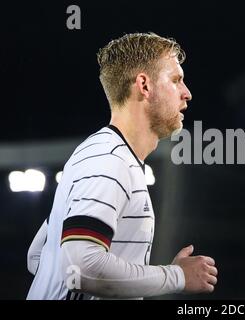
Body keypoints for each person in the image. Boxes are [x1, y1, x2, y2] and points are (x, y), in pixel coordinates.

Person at [26, 32, 218, 300]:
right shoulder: (109, 160)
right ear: (144, 85)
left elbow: (38, 255)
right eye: (176, 80)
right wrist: (177, 276)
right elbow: (79, 267)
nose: (187, 94)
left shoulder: (99, 154)